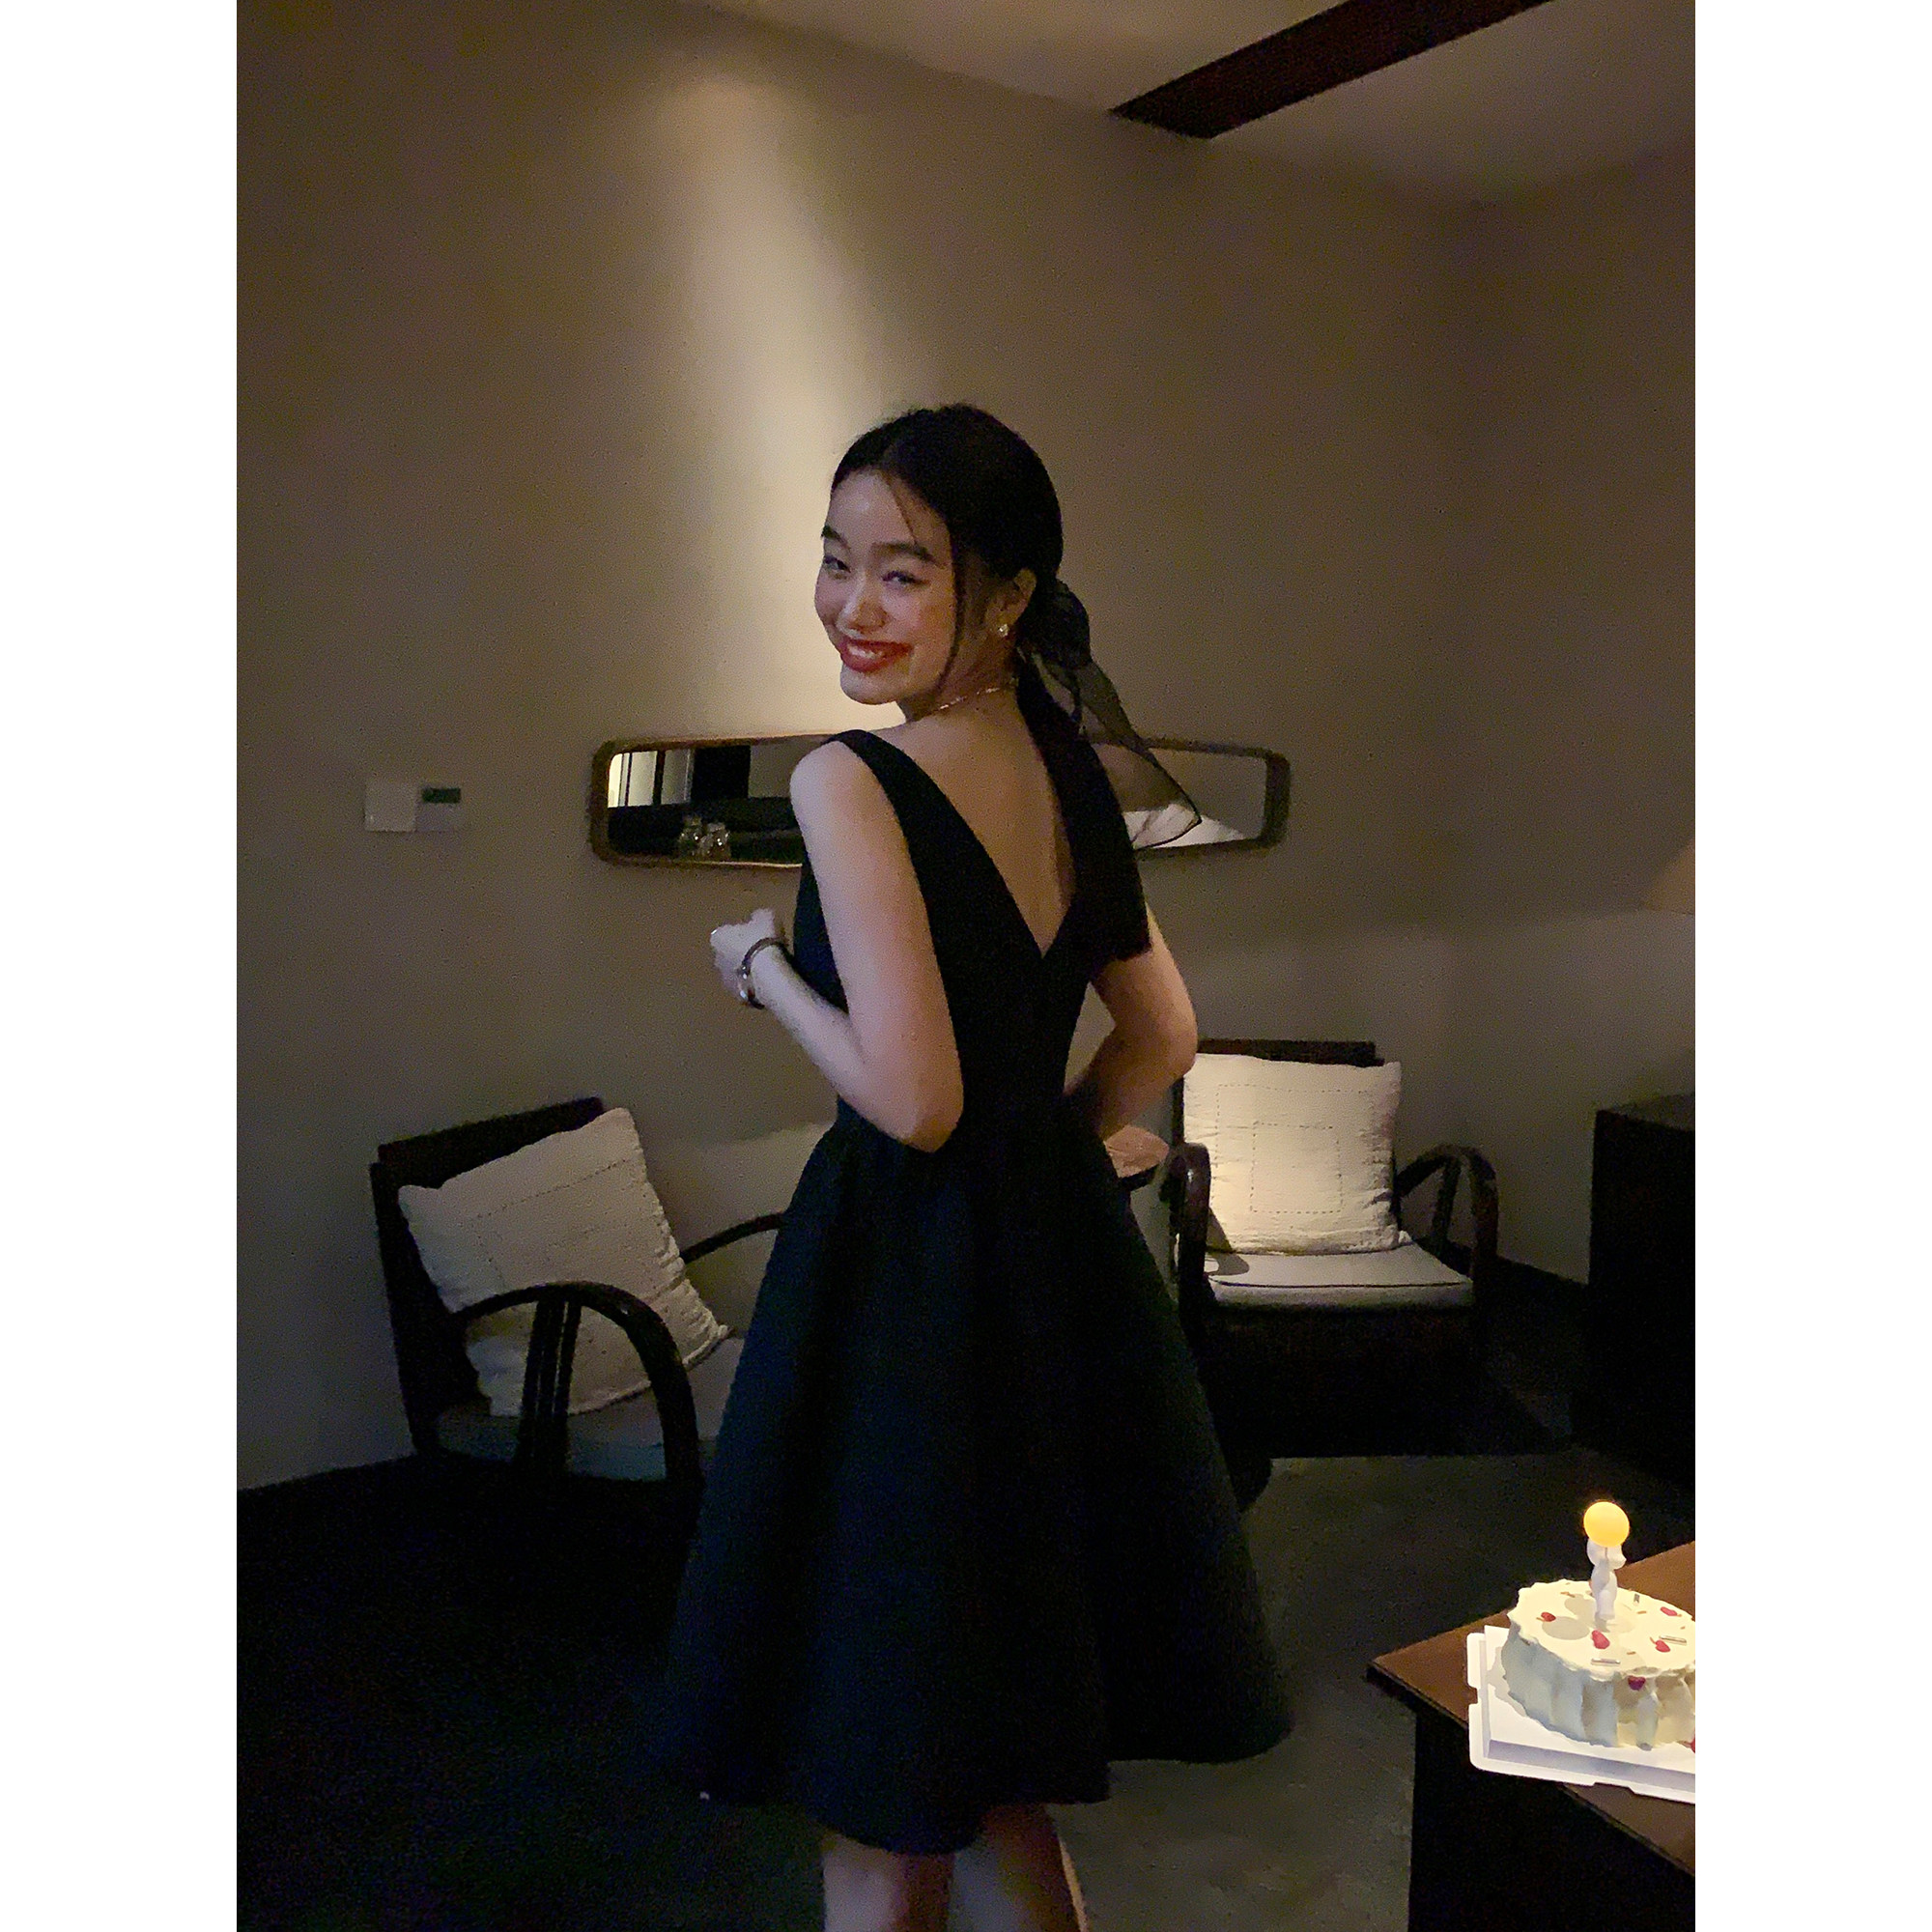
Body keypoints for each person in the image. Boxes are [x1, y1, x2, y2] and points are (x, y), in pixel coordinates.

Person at [644, 405, 1290, 1932]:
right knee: (995, 1766)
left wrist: (762, 972)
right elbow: (1162, 1034)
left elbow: (914, 1100)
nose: (851, 606)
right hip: (1042, 1290)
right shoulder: (1065, 768)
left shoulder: (852, 782)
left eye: (904, 571)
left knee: (877, 1776)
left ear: (1005, 596)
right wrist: (1048, 1161)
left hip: (900, 1305)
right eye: (835, 560)